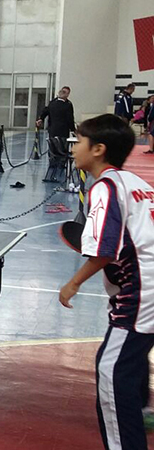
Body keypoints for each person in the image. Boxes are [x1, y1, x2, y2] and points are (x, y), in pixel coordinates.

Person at [58, 114, 154, 450]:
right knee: (130, 358)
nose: (73, 147)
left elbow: (104, 251)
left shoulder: (105, 187)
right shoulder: (137, 183)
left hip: (143, 289)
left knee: (112, 371)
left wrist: (73, 283)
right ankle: (142, 407)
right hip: (145, 286)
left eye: (79, 141)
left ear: (98, 149)